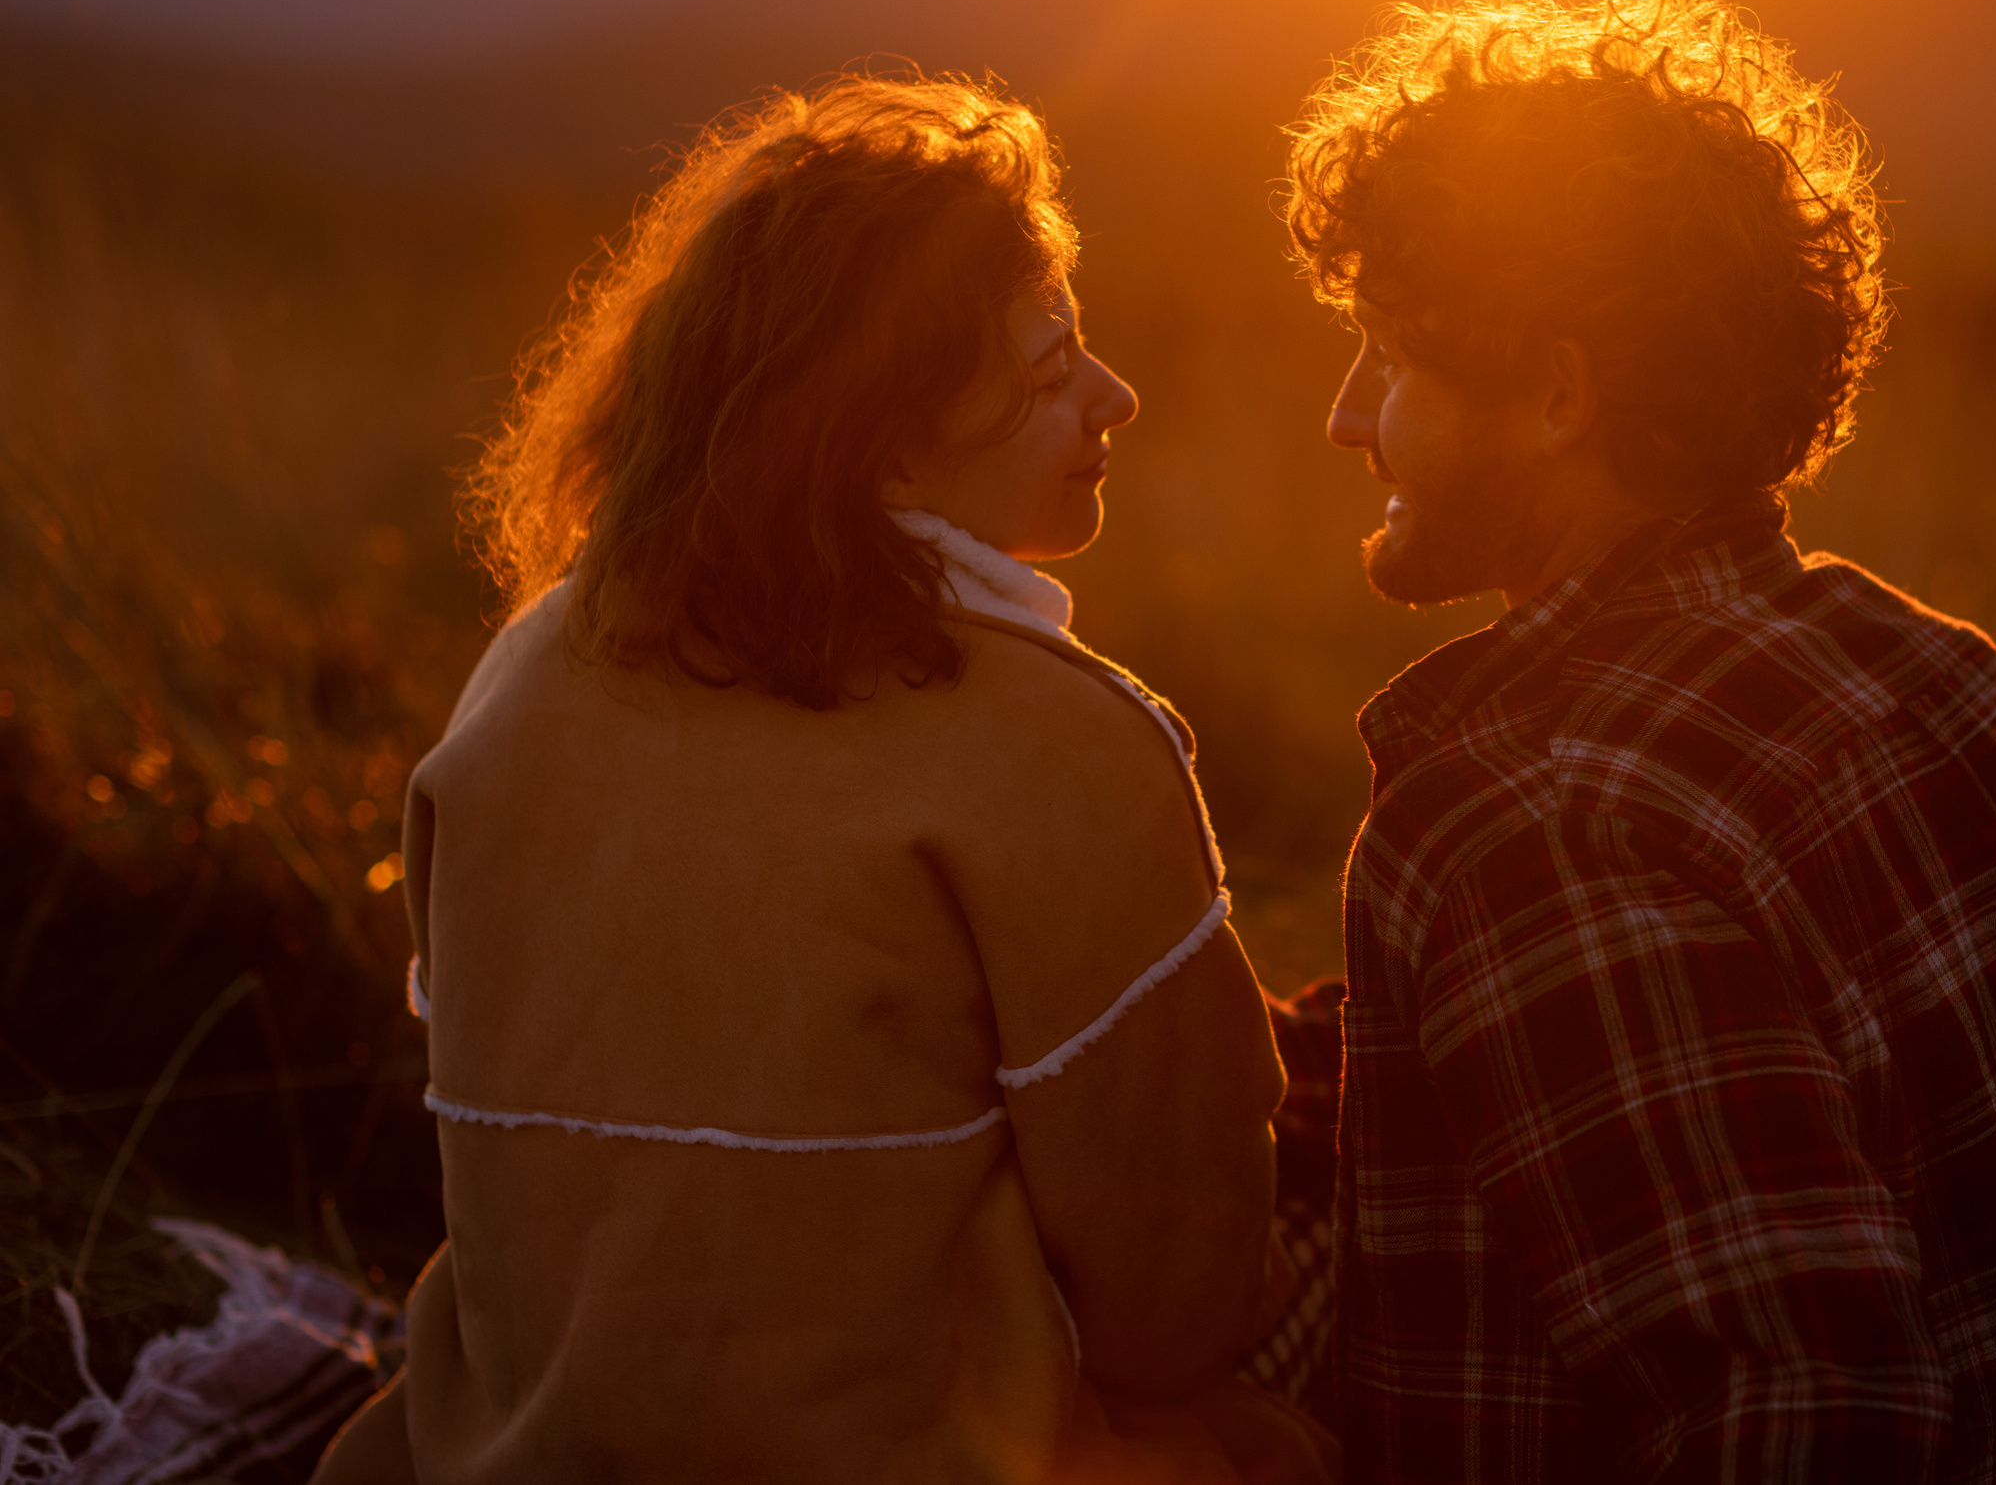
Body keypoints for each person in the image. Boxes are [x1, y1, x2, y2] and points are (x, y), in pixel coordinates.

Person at [1285, 0, 1996, 1481]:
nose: (1346, 415)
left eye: (1394, 356)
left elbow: (1798, 1419)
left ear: (1559, 396)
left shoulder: (1536, 823)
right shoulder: (1920, 665)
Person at [314, 74, 1338, 1484]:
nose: (1118, 397)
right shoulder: (1065, 745)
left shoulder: (527, 674)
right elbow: (1179, 1303)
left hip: (516, 1448)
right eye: (1050, 372)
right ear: (879, 432)